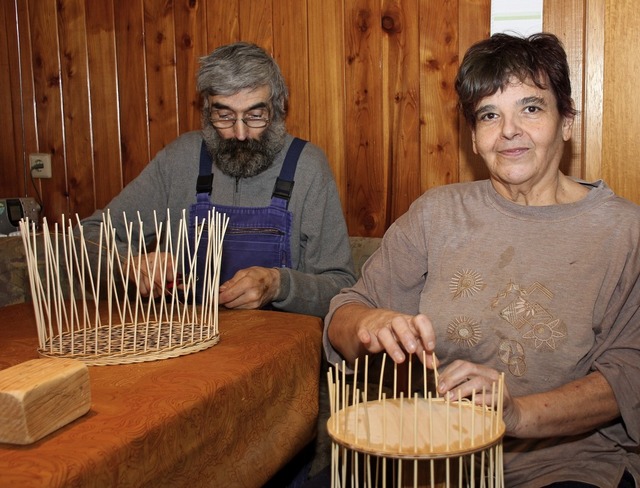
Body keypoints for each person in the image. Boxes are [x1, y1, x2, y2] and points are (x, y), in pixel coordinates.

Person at [323, 32, 640, 487]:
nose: (509, 130)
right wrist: (367, 326)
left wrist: (516, 413)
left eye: (530, 108)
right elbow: (345, 313)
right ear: (474, 138)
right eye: (490, 115)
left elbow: (627, 377)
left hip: (563, 467)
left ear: (566, 121)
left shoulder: (624, 232)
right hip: (428, 459)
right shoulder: (436, 214)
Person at [78, 41, 355, 318]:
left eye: (255, 116)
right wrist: (126, 263)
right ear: (206, 112)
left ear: (279, 107)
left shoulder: (308, 167)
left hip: (277, 347)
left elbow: (341, 286)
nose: (240, 133)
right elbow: (88, 235)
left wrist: (278, 284)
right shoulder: (181, 159)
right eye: (224, 116)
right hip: (183, 343)